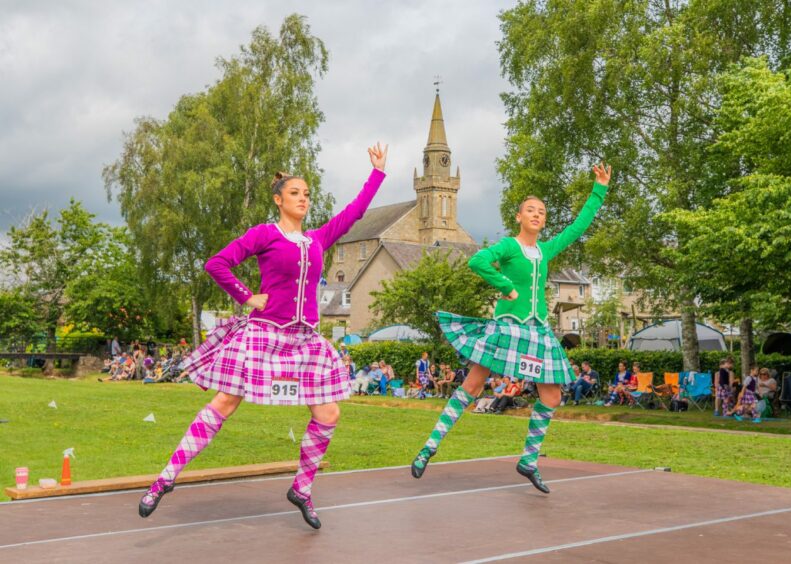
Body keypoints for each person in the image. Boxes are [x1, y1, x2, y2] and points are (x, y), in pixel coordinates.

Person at [137, 143, 388, 529]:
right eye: (294, 193)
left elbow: (354, 214)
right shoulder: (264, 234)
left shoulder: (318, 239)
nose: (303, 198)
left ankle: (301, 490)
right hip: (265, 334)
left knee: (329, 411)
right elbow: (216, 263)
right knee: (224, 403)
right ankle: (165, 479)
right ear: (278, 199)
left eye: (306, 194)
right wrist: (246, 296)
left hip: (305, 341)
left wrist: (377, 173)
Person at [410, 162, 611, 493]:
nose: (536, 215)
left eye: (541, 212)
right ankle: (429, 448)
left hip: (537, 331)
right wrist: (506, 286)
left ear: (544, 221)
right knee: (473, 386)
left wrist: (598, 190)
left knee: (552, 394)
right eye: (530, 210)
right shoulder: (508, 246)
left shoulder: (545, 251)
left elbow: (577, 228)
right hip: (507, 328)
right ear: (519, 217)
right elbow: (477, 261)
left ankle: (528, 461)